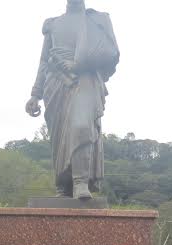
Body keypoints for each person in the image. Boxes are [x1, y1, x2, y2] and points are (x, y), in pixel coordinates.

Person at [25, 0, 119, 199]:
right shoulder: (53, 24)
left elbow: (110, 53)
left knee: (81, 126)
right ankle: (63, 185)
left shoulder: (97, 20)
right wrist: (36, 93)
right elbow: (43, 60)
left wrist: (79, 64)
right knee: (60, 137)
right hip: (55, 82)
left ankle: (80, 182)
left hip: (84, 78)